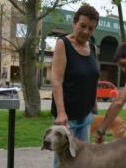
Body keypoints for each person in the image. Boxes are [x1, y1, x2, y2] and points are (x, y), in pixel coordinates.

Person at [51, 4, 100, 168]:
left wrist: (94, 102)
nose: (86, 31)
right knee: (63, 160)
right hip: (66, 118)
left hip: (85, 114)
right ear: (74, 24)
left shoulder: (93, 48)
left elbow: (92, 77)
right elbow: (57, 80)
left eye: (91, 28)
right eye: (83, 26)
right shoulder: (62, 44)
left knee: (81, 159)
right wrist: (61, 113)